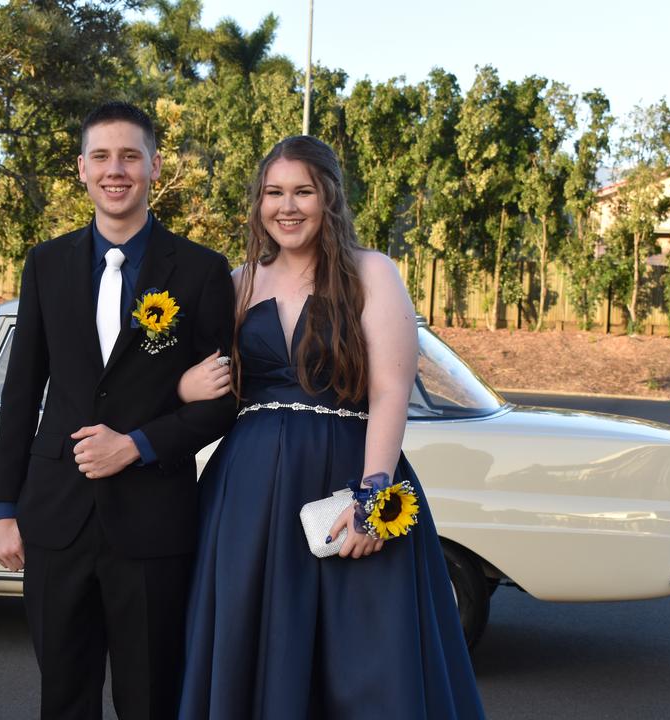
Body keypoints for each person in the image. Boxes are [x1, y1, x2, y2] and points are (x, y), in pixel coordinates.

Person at [175, 136, 486, 719]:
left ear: (329, 199)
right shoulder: (239, 281)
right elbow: (209, 376)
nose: (286, 207)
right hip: (248, 493)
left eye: (302, 192)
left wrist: (374, 495)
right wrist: (183, 388)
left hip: (350, 477)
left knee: (364, 656)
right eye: (273, 192)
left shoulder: (372, 271)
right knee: (254, 637)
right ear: (258, 202)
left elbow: (392, 389)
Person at [0, 101, 237, 720]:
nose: (115, 169)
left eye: (130, 155)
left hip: (154, 522)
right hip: (56, 519)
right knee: (63, 697)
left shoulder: (203, 272)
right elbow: (21, 393)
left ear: (154, 165)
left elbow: (223, 403)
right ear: (81, 168)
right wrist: (3, 509)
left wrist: (136, 444)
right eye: (101, 156)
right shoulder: (45, 263)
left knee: (150, 698)